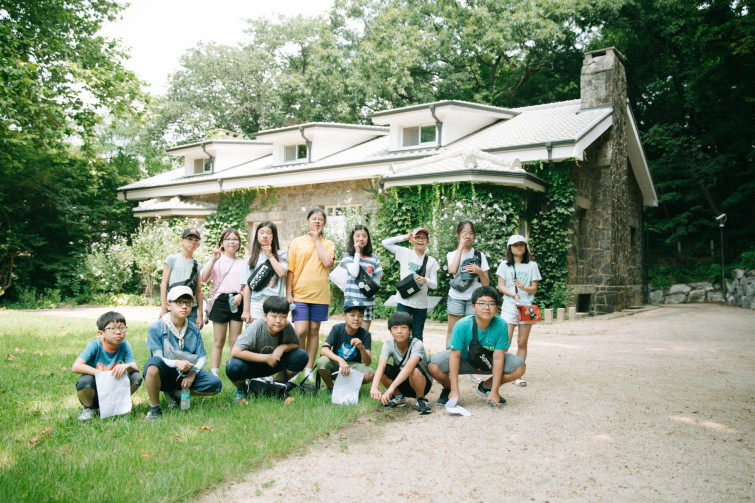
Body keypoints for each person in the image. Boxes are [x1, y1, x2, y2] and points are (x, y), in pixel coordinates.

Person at [428, 286, 526, 407]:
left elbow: (498, 358)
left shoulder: (501, 325)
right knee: (433, 365)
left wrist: (495, 391)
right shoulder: (462, 325)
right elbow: (454, 356)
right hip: (463, 360)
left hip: (488, 361)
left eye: (491, 304)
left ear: (496, 308)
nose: (486, 307)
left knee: (519, 367)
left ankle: (486, 387)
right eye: (482, 303)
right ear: (473, 307)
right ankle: (448, 389)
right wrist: (454, 390)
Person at [144, 286, 222, 420]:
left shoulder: (193, 328)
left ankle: (176, 392)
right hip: (165, 372)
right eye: (179, 302)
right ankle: (155, 407)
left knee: (215, 384)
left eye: (188, 302)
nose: (184, 306)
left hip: (186, 372)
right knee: (152, 365)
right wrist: (176, 363)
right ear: (168, 305)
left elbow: (202, 357)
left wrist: (193, 373)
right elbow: (157, 357)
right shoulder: (156, 327)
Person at [226, 296, 309, 402]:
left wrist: (282, 347)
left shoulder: (287, 327)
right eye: (273, 316)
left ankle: (276, 385)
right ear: (265, 316)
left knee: (301, 355)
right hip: (252, 365)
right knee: (233, 366)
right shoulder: (256, 327)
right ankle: (242, 389)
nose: (278, 321)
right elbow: (235, 351)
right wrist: (266, 358)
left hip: (274, 363)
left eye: (283, 317)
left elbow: (297, 343)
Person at [286, 208, 336, 382]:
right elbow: (290, 270)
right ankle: (296, 367)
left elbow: (327, 262)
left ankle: (308, 369)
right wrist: (288, 294)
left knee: (314, 331)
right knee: (300, 331)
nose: (317, 221)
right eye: (314, 218)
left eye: (320, 219)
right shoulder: (296, 242)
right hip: (300, 293)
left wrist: (316, 239)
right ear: (307, 221)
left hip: (320, 295)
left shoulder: (328, 243)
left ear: (324, 223)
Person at [71, 312, 142, 421]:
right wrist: (100, 373)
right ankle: (89, 408)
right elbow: (76, 366)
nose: (118, 332)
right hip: (95, 389)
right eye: (112, 328)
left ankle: (118, 404)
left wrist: (126, 366)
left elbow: (134, 367)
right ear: (101, 333)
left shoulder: (124, 345)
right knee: (85, 380)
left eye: (122, 328)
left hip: (113, 389)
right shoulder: (94, 345)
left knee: (135, 377)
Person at [496, 234, 541, 387]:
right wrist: (513, 293)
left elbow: (534, 288)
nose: (519, 247)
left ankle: (517, 375)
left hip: (527, 307)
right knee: (505, 342)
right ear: (510, 248)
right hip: (509, 306)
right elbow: (500, 286)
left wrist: (523, 288)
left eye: (521, 244)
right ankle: (501, 372)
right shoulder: (504, 265)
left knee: (522, 342)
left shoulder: (532, 265)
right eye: (515, 245)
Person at [201, 228, 246, 376]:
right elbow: (204, 278)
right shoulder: (217, 260)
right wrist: (214, 258)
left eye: (235, 239)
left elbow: (247, 285)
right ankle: (214, 372)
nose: (232, 242)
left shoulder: (243, 263)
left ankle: (234, 371)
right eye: (228, 239)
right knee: (218, 340)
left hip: (237, 300)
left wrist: (241, 295)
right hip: (220, 301)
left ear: (239, 243)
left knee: (235, 340)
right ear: (222, 243)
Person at [381, 228, 439, 341]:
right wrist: (404, 237)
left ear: (428, 241)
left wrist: (425, 280)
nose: (421, 240)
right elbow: (385, 243)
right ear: (412, 240)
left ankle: (415, 353)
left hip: (421, 304)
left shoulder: (431, 261)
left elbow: (434, 285)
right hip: (404, 301)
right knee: (401, 334)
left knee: (417, 336)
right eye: (417, 237)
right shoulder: (405, 253)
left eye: (423, 238)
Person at [370, 311, 433, 415]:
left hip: (422, 382)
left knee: (413, 371)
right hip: (402, 382)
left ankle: (421, 399)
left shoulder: (417, 344)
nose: (399, 331)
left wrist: (390, 388)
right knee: (383, 370)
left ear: (410, 330)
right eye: (395, 328)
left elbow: (408, 368)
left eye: (403, 327)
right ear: (390, 331)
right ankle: (398, 397)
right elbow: (381, 366)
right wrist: (374, 387)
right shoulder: (388, 344)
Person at [446, 220, 490, 347]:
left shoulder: (480, 256)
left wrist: (479, 271)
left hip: (474, 298)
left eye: (471, 233)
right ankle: (450, 356)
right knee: (453, 331)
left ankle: (471, 357)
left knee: (473, 331)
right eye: (464, 233)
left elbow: (486, 283)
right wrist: (460, 247)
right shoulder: (452, 254)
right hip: (456, 297)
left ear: (474, 235)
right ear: (458, 234)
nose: (468, 236)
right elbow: (453, 270)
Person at [315, 300, 374, 393]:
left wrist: (361, 348)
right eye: (352, 315)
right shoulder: (337, 329)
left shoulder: (365, 334)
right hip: (337, 365)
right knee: (322, 362)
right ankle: (331, 388)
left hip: (354, 366)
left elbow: (367, 362)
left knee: (370, 374)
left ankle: (347, 388)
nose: (356, 319)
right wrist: (340, 360)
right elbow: (324, 350)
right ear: (344, 315)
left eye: (360, 316)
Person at [241, 221, 287, 324]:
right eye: (261, 232)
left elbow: (282, 273)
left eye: (268, 232)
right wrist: (246, 310)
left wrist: (270, 255)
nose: (265, 235)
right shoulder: (252, 258)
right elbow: (247, 286)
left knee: (274, 332)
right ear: (257, 236)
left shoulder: (282, 255)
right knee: (256, 332)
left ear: (274, 236)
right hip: (256, 303)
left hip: (276, 302)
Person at [339, 225, 383, 331]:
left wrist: (369, 291)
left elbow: (377, 282)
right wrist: (357, 253)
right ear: (352, 238)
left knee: (363, 335)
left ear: (368, 238)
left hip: (367, 302)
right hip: (351, 302)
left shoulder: (374, 258)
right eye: (357, 236)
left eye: (364, 236)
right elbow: (354, 273)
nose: (361, 239)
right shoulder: (348, 256)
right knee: (350, 334)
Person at [159, 227, 204, 329]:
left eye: (196, 240)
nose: (193, 242)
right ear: (181, 241)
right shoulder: (172, 259)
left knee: (190, 335)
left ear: (198, 245)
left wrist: (200, 315)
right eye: (189, 239)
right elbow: (164, 283)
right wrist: (164, 308)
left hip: (191, 308)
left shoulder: (198, 266)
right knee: (170, 334)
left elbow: (198, 291)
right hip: (173, 306)